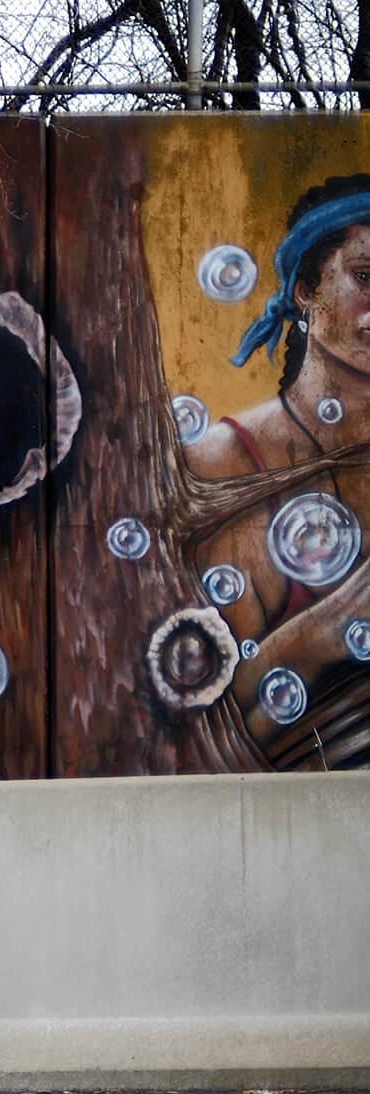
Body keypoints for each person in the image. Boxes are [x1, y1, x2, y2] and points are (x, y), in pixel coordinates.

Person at [184, 174, 370, 758]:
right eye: (366, 277)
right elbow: (212, 728)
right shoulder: (229, 462)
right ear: (303, 290)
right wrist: (333, 623)